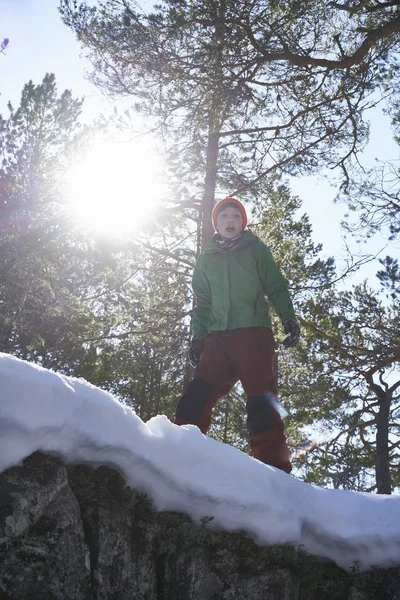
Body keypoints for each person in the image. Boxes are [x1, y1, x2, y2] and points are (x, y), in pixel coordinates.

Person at [174, 197, 300, 473]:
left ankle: (275, 472)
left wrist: (288, 317)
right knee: (197, 394)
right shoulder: (206, 259)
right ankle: (179, 453)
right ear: (215, 224)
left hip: (253, 336)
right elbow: (203, 304)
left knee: (259, 402)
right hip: (217, 340)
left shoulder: (255, 249)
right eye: (224, 216)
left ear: (243, 222)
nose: (230, 220)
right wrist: (198, 338)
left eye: (235, 216)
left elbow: (276, 286)